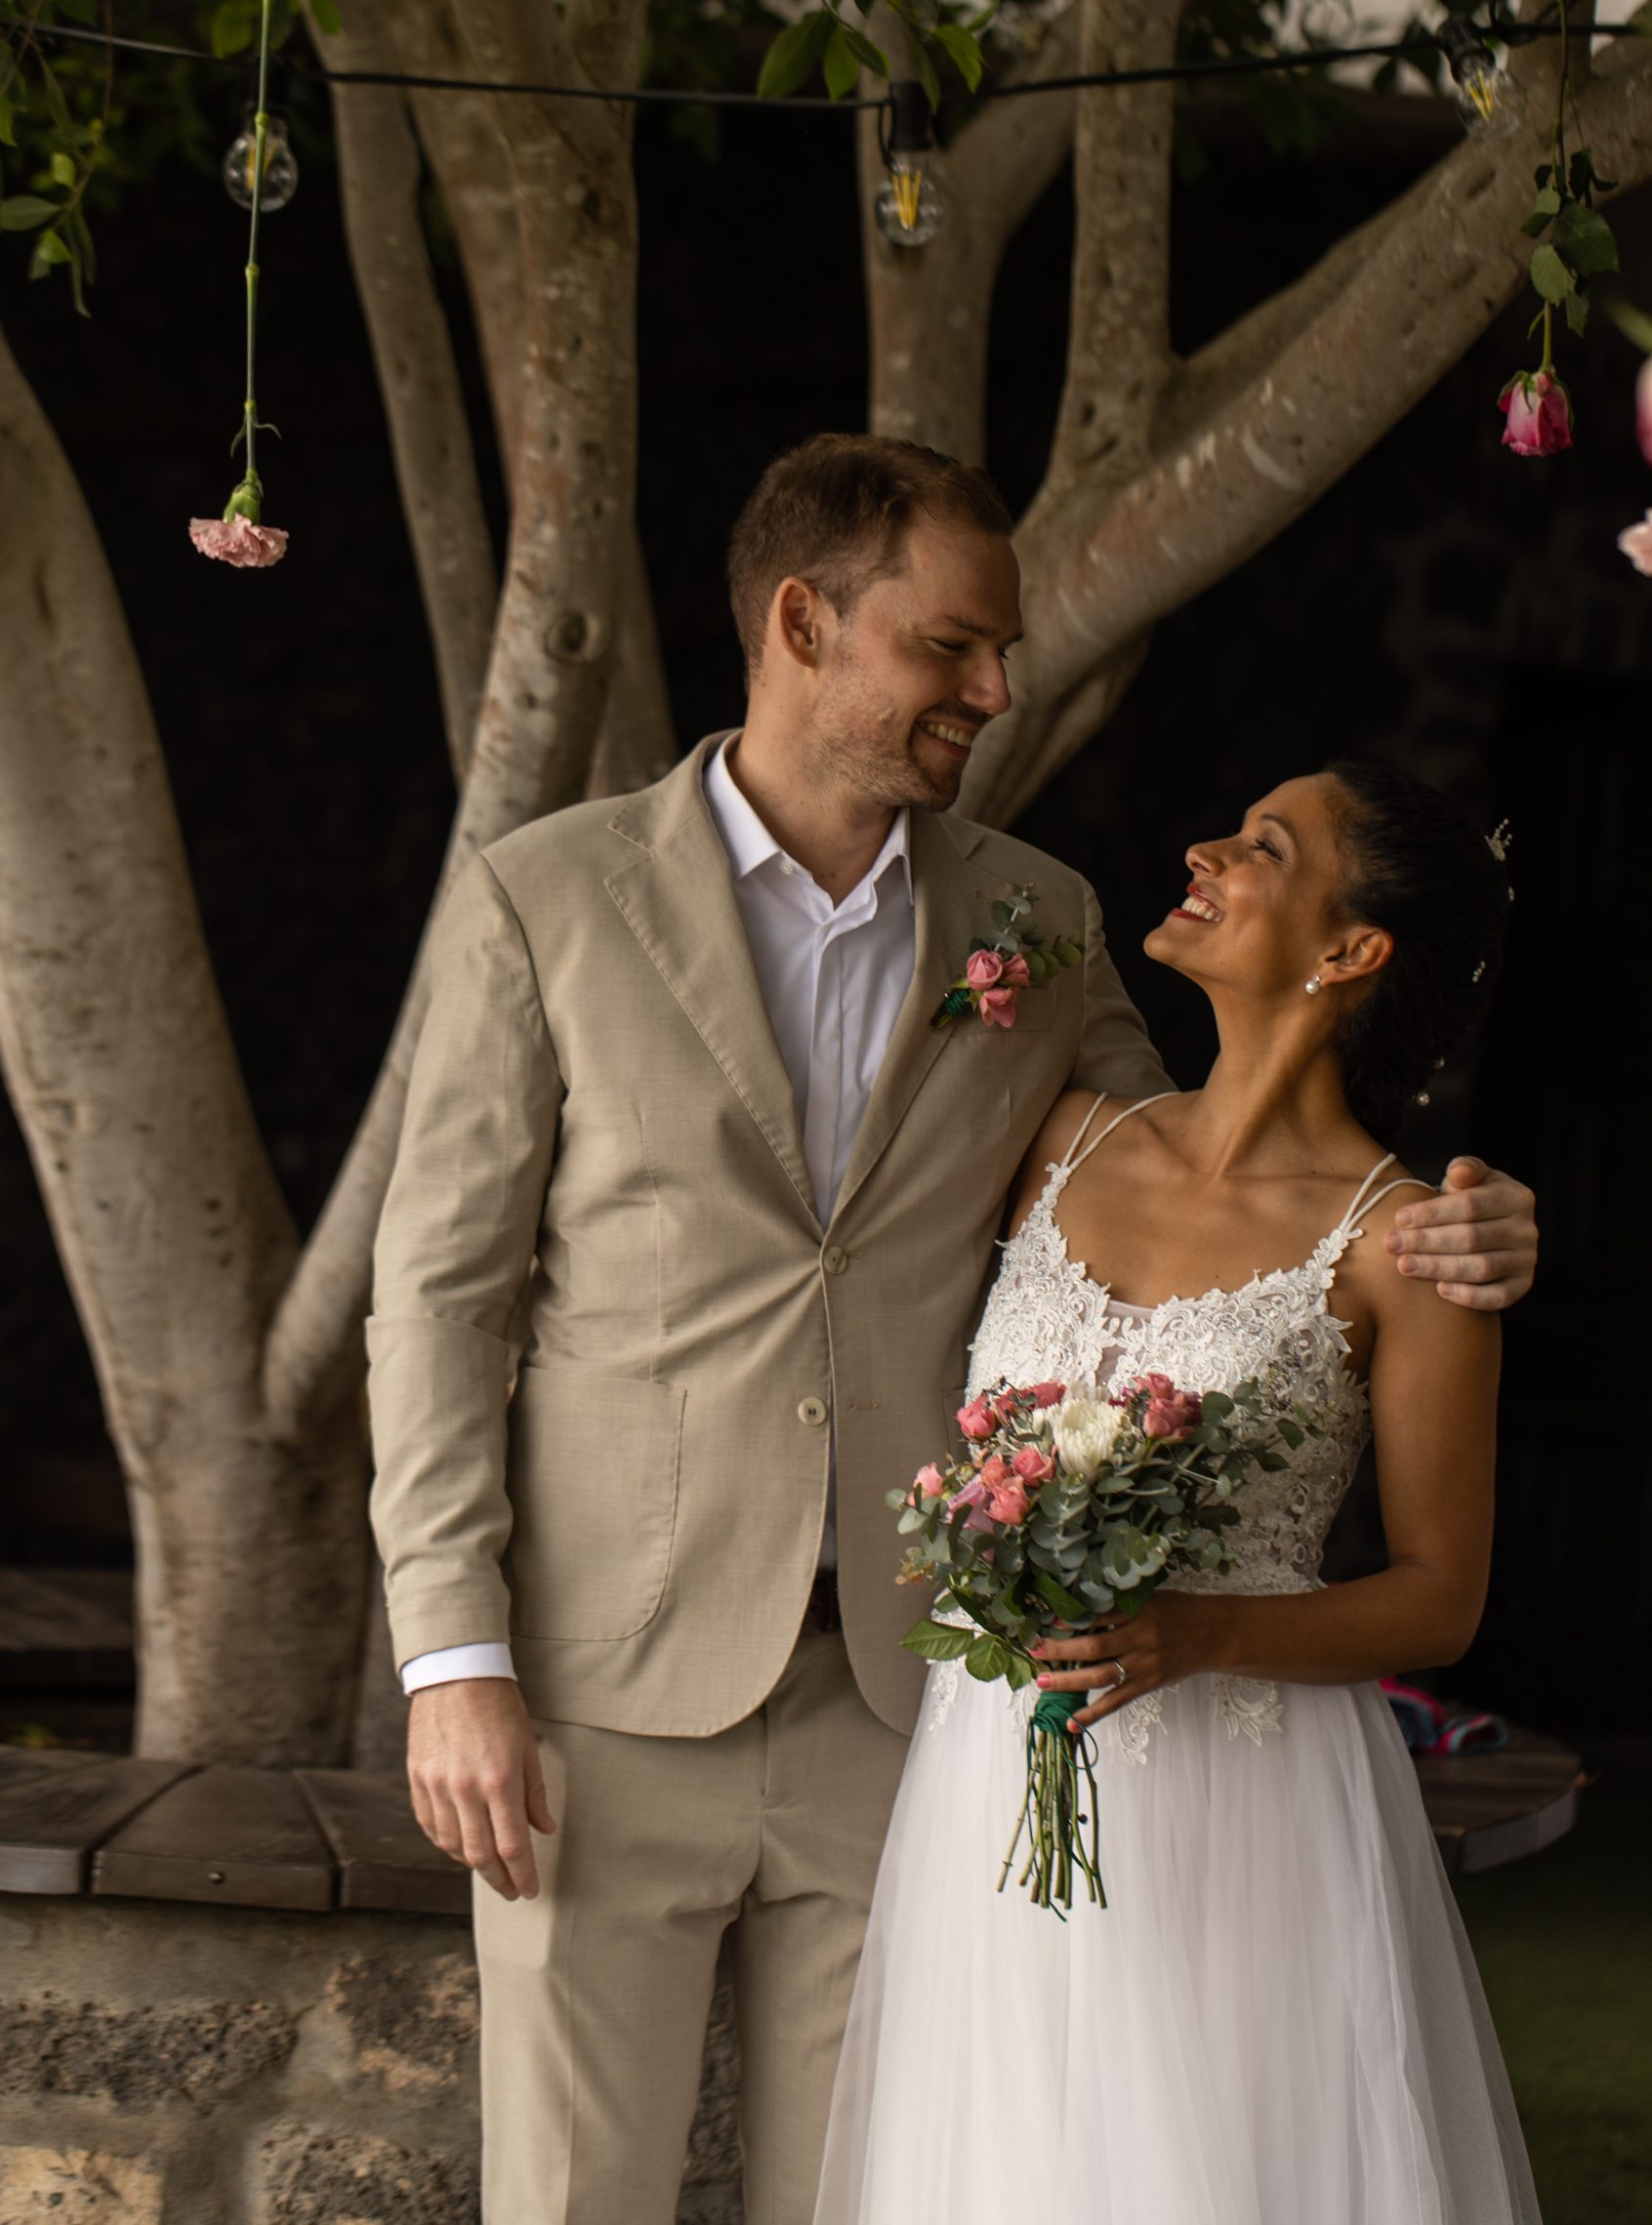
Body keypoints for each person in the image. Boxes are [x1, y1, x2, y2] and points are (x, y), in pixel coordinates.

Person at [363, 433, 1539, 2225]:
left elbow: (1215, 1178)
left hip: (922, 1718)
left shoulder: (1038, 926)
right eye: (951, 646)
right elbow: (441, 1301)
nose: (996, 691)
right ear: (803, 623)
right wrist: (454, 1661)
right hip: (603, 1697)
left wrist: (1482, 1222)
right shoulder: (547, 899)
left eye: (1001, 651)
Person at [814, 761, 1541, 2225]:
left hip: (1245, 1796)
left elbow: (1439, 1598)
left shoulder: (1405, 1245)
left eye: (1265, 845)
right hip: (990, 1768)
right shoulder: (1060, 1135)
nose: (1204, 848)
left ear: (1352, 950)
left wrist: (1197, 1632)